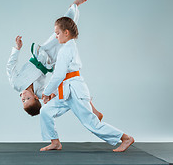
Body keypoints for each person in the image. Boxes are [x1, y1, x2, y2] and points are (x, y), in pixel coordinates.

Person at [40, 15, 135, 152]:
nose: (56, 36)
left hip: (75, 91)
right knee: (46, 111)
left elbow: (59, 75)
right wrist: (53, 92)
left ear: (66, 32)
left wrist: (47, 92)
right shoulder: (68, 47)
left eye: (57, 33)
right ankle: (55, 142)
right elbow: (62, 76)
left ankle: (125, 138)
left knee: (91, 124)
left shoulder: (66, 49)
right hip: (67, 91)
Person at [6, 0, 103, 120]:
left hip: (42, 53)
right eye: (27, 99)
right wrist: (50, 97)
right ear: (35, 98)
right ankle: (91, 108)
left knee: (62, 31)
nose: (23, 96)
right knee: (70, 82)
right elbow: (55, 88)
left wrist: (17, 48)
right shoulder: (39, 92)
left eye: (23, 100)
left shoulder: (16, 84)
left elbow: (10, 66)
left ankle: (73, 7)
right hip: (51, 62)